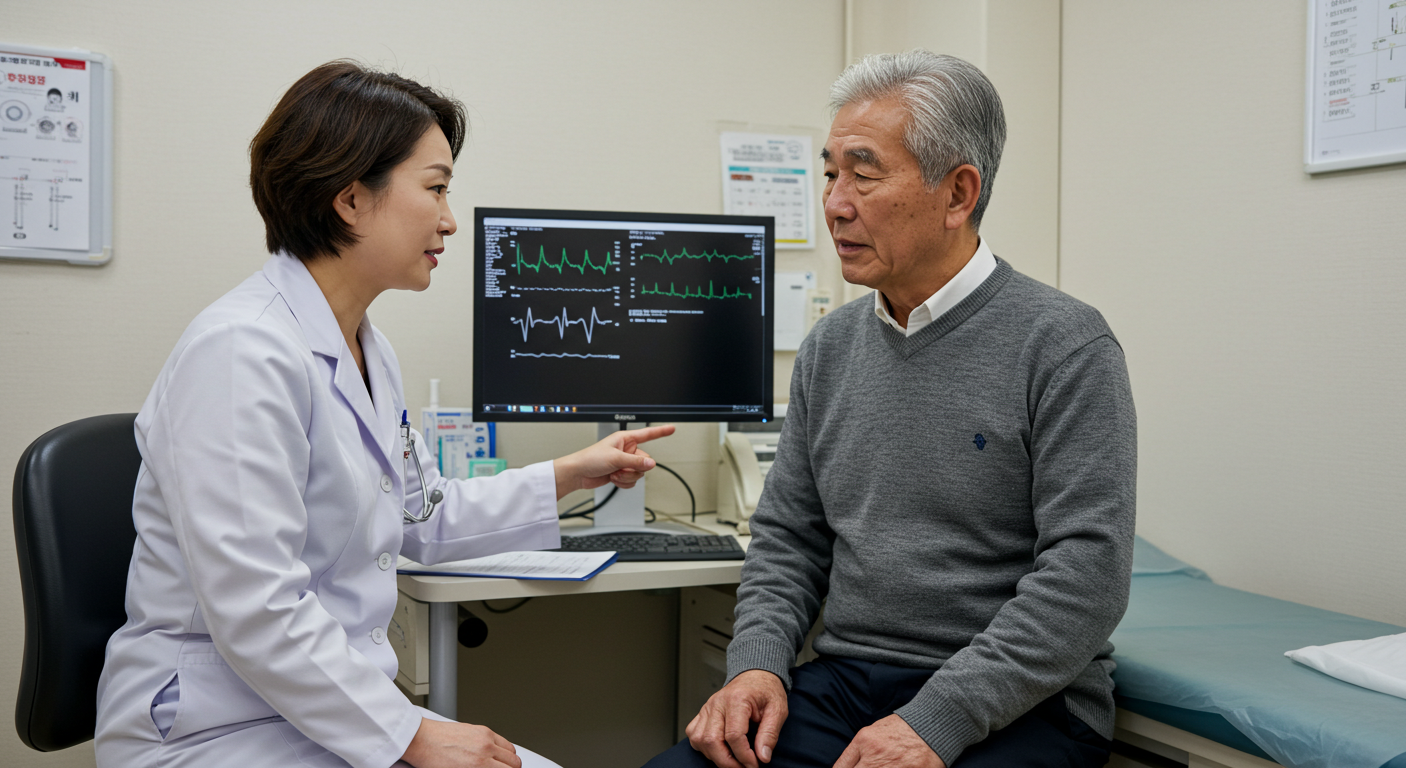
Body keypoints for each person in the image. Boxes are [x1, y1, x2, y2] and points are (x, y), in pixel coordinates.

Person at [94, 60, 673, 768]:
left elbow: (418, 518)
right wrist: (412, 735)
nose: (450, 220)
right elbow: (256, 608)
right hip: (218, 726)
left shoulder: (367, 347)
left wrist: (568, 474)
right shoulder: (241, 352)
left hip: (323, 708)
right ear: (350, 199)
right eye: (435, 188)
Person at [646, 50, 1136, 768]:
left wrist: (935, 722)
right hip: (847, 685)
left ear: (958, 193)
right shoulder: (831, 347)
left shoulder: (1065, 345)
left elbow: (1086, 577)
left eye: (864, 175)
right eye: (830, 174)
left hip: (1022, 704)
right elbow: (788, 539)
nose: (835, 203)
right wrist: (756, 665)